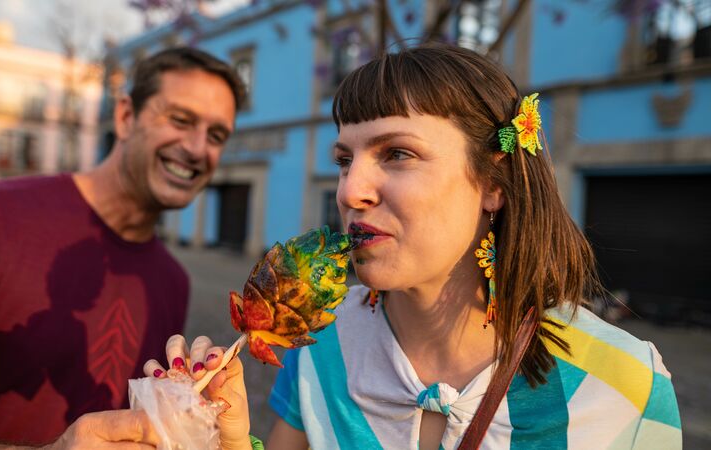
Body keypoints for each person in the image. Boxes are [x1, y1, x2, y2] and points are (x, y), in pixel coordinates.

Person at [170, 44, 682, 449]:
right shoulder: (320, 345)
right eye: (344, 159)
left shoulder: (623, 385)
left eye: (397, 153)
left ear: (493, 185)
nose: (349, 191)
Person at [0, 47, 249, 448]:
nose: (196, 148)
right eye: (180, 119)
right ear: (125, 117)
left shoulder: (172, 280)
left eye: (215, 136)